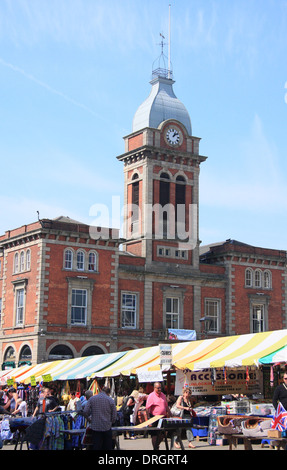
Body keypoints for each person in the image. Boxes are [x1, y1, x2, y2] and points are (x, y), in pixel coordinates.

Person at [83, 379, 117, 450]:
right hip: (107, 427)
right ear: (108, 393)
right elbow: (114, 416)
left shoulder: (92, 399)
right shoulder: (111, 400)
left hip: (95, 427)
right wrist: (111, 422)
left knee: (96, 447)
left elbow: (85, 412)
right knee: (107, 447)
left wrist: (89, 419)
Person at [146, 382, 170, 450]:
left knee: (163, 433)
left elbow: (166, 406)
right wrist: (148, 419)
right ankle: (155, 448)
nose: (159, 389)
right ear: (154, 388)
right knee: (155, 434)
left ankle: (157, 445)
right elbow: (147, 408)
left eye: (160, 388)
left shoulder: (163, 395)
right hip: (154, 417)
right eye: (158, 388)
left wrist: (170, 415)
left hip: (163, 417)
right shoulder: (151, 396)